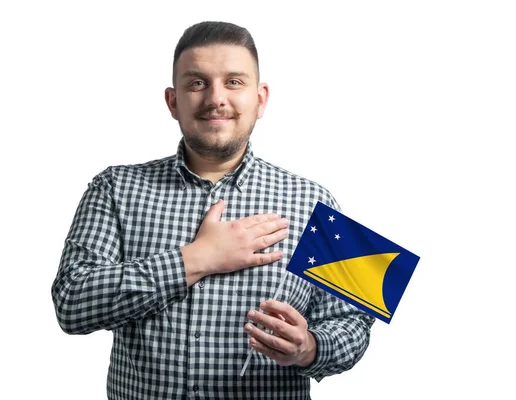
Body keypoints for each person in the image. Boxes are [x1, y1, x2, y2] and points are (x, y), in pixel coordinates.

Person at [51, 21, 375, 399]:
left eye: (234, 82)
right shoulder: (114, 187)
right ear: (173, 101)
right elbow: (71, 302)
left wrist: (310, 349)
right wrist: (196, 259)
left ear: (261, 98)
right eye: (197, 83)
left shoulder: (316, 200)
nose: (215, 98)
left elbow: (357, 321)